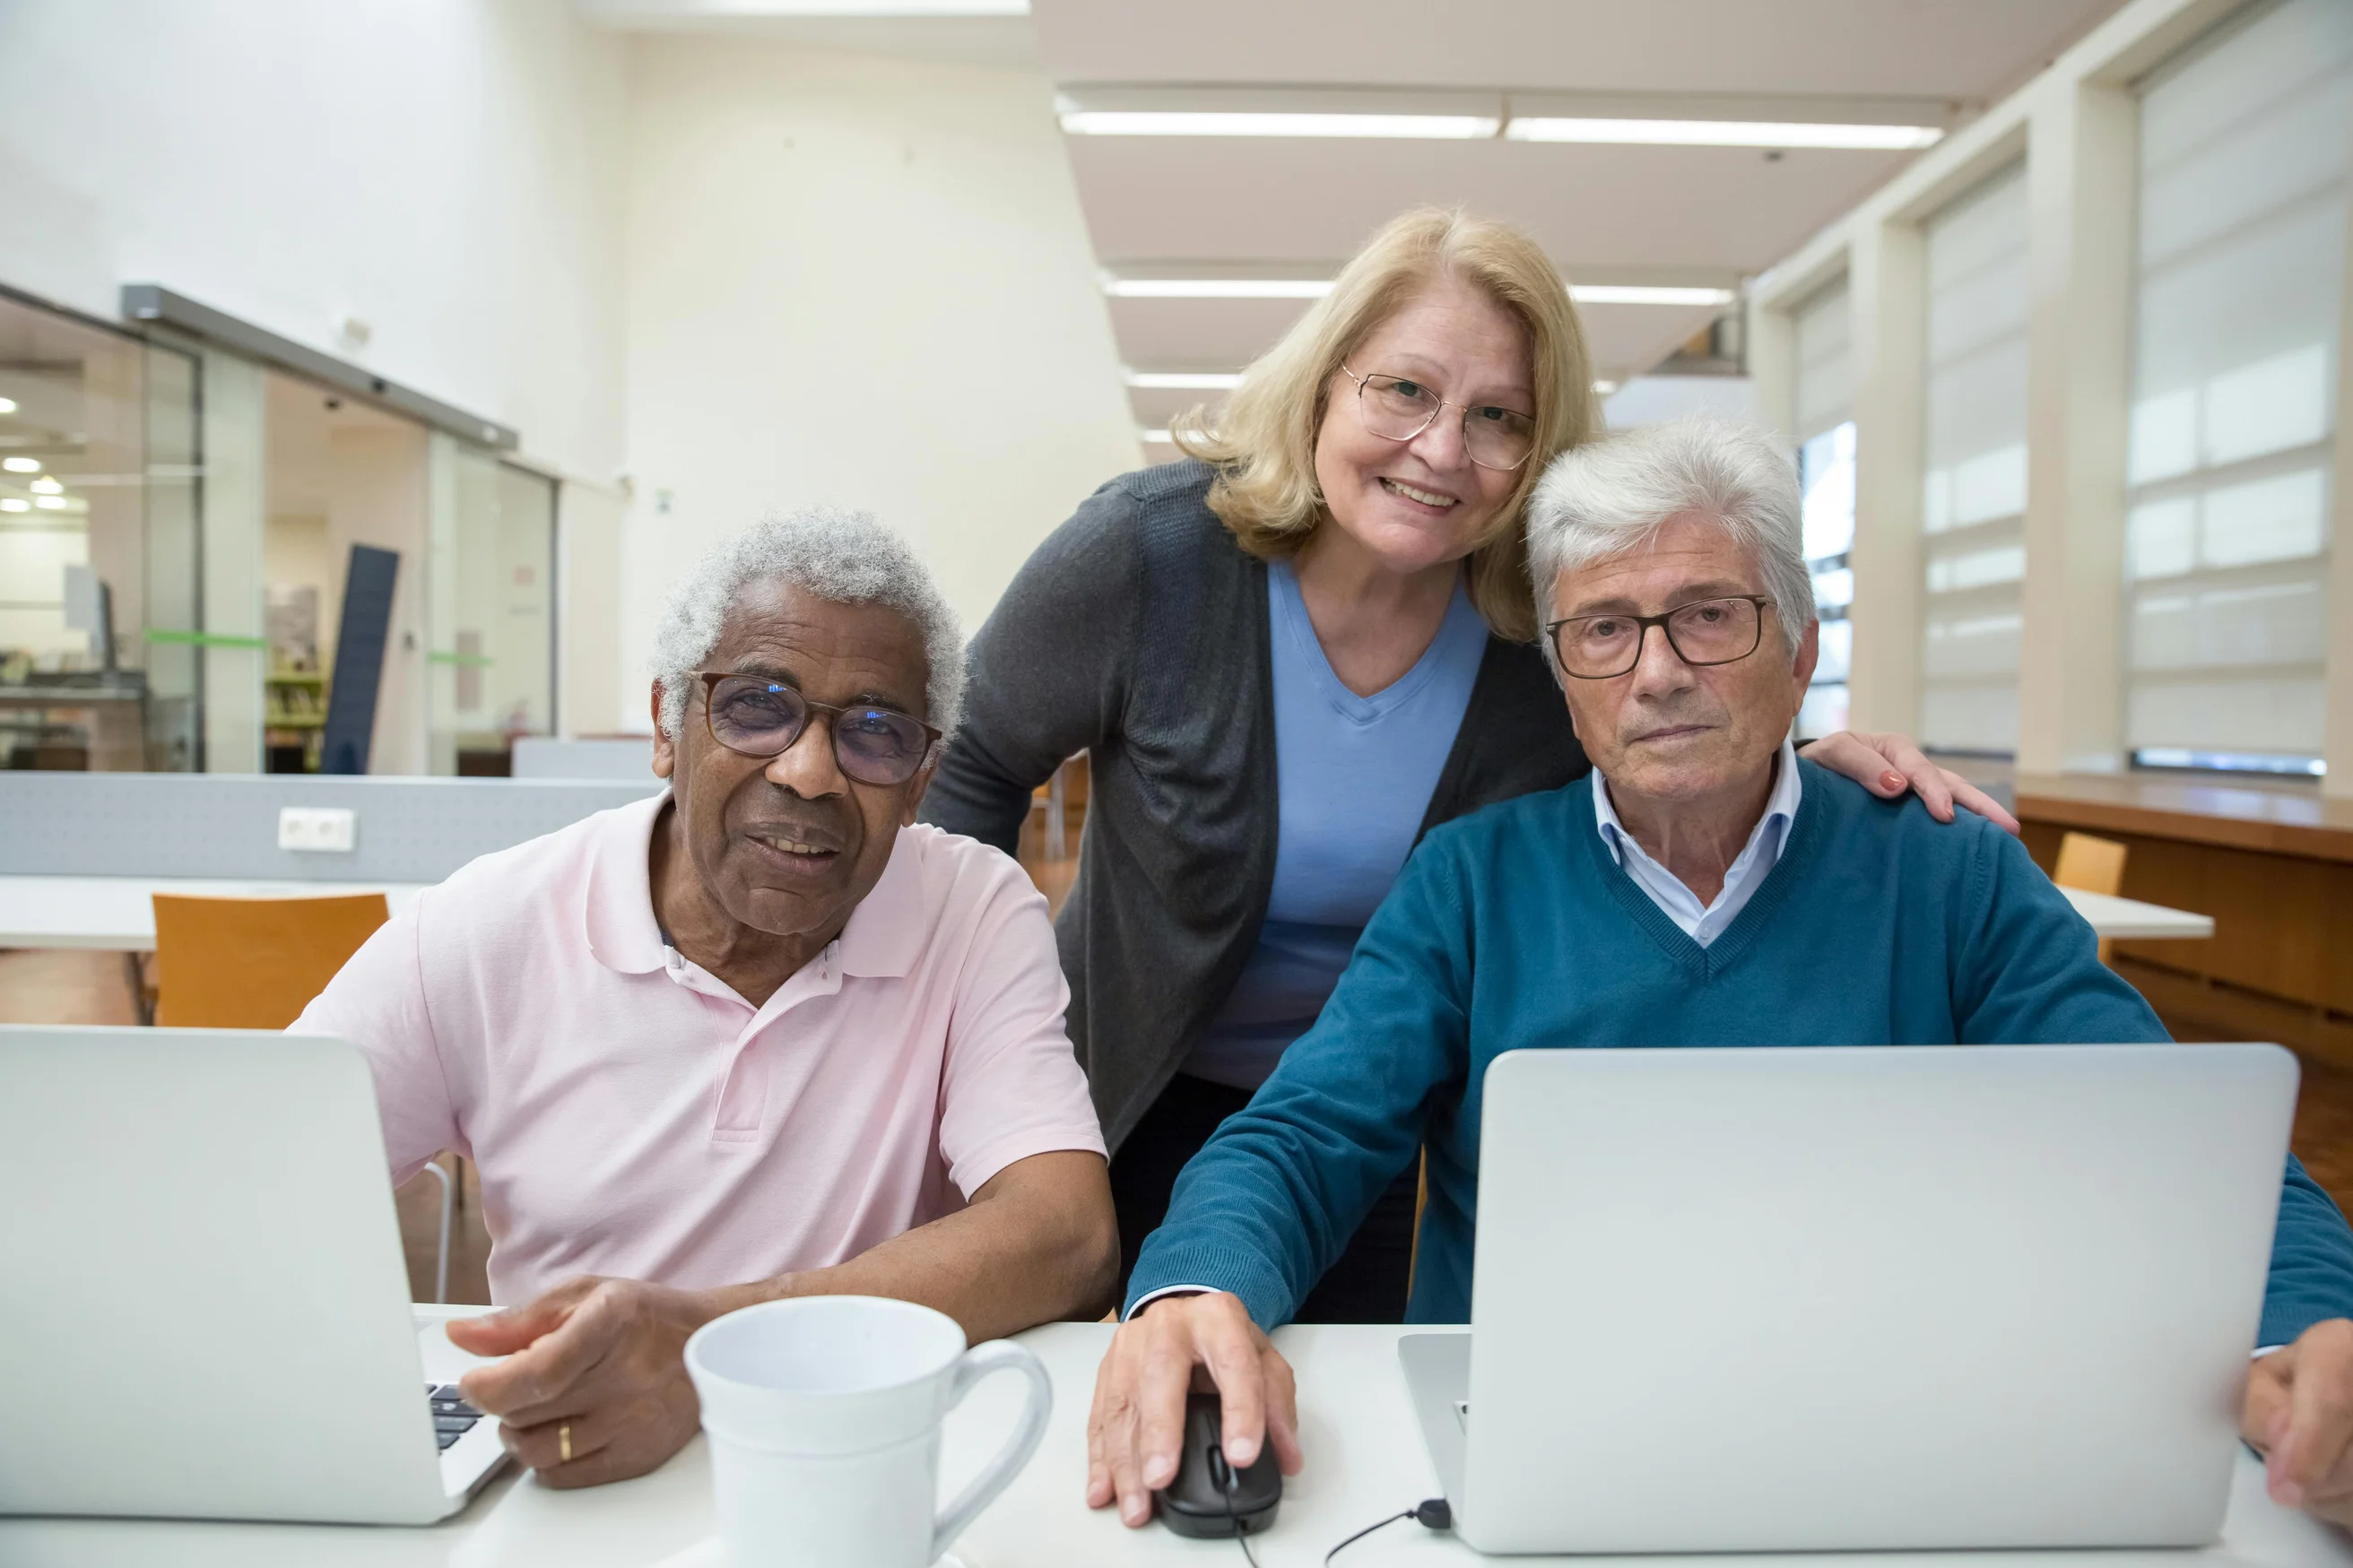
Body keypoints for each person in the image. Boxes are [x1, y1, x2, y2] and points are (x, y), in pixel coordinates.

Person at [1083, 415, 2353, 1530]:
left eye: (1709, 614)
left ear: (1799, 650)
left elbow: (2183, 1152)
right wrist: (1198, 1286)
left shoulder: (1950, 875)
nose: (1659, 671)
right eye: (1604, 630)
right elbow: (1302, 1136)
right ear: (1568, 687)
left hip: (1902, 1437)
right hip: (1543, 1447)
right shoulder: (1471, 883)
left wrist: (2311, 1337)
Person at [921, 206, 2011, 1321]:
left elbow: (1665, 720)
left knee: (1332, 1388)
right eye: (1402, 390)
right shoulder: (1150, 555)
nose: (1441, 449)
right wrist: (965, 1048)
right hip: (1117, 1078)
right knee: (1088, 1373)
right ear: (1324, 384)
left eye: (1498, 417)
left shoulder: (1539, 628)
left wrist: (1801, 762)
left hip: (1379, 1098)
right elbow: (973, 766)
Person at [294, 508, 1117, 1487]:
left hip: (865, 1467)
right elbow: (251, 1190)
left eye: (874, 733)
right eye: (757, 706)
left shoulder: (970, 910)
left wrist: (706, 1346)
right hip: (571, 1459)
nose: (808, 773)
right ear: (663, 725)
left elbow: (1066, 1236)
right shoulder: (487, 926)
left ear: (920, 778)